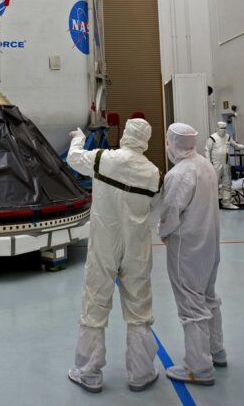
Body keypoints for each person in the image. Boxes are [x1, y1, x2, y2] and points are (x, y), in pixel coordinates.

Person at [66, 118, 161, 393]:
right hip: (137, 247)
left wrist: (78, 138)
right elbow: (153, 206)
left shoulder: (104, 159)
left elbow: (74, 159)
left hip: (105, 242)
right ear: (145, 140)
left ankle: (88, 372)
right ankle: (141, 373)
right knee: (139, 307)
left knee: (95, 300)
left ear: (126, 135)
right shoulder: (153, 173)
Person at [159, 123, 226, 386]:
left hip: (186, 248)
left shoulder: (178, 174)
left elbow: (170, 212)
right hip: (209, 243)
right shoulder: (205, 165)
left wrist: (163, 232)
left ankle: (199, 368)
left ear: (173, 143)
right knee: (208, 296)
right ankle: (216, 351)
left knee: (191, 304)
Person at [205, 121, 244, 209]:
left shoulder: (227, 137)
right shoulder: (212, 138)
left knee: (227, 183)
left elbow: (236, 146)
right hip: (216, 164)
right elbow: (207, 150)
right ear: (217, 128)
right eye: (221, 128)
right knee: (213, 184)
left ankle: (226, 202)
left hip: (226, 164)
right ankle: (211, 204)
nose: (223, 130)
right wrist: (208, 163)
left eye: (224, 128)